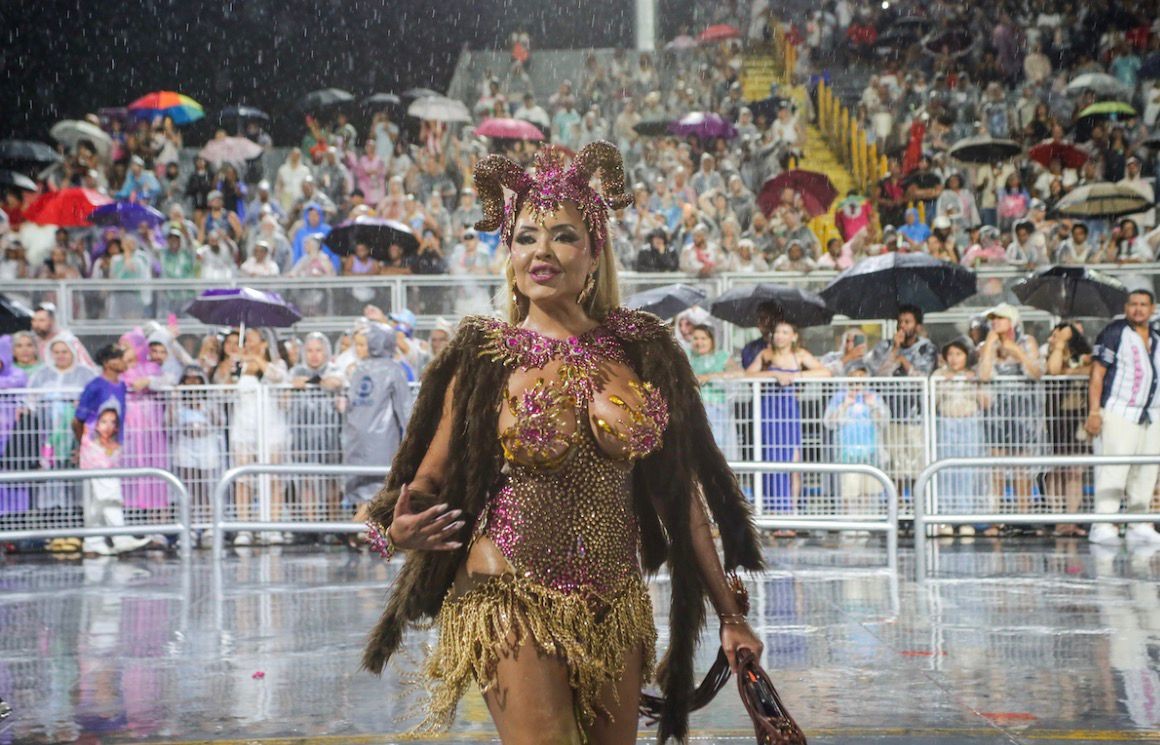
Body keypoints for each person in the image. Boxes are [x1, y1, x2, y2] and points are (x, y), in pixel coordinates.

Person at [360, 142, 763, 744]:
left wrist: (731, 615)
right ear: (510, 254)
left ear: (595, 252)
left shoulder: (641, 352)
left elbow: (681, 500)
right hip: (508, 593)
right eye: (526, 237)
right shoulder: (484, 356)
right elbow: (426, 480)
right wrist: (397, 530)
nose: (541, 251)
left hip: (615, 602)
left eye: (564, 236)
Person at [1085, 290, 1160, 547]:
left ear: (1152, 308)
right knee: (1114, 469)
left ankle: (1139, 523)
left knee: (1146, 470)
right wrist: (1094, 411)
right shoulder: (1114, 332)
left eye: (1143, 305)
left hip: (1151, 413)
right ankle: (1103, 524)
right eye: (1133, 304)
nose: (1138, 309)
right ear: (1126, 307)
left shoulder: (1157, 337)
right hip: (1120, 410)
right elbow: (1097, 374)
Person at [746, 317, 831, 522]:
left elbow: (825, 372)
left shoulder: (800, 355)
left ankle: (790, 512)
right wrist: (773, 374)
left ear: (794, 337)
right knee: (771, 460)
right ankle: (774, 512)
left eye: (785, 332)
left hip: (789, 412)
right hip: (769, 412)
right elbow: (747, 375)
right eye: (777, 332)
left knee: (793, 462)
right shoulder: (766, 354)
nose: (780, 336)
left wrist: (796, 377)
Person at [71, 344, 150, 556]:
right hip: (95, 446)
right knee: (110, 490)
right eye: (120, 358)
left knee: (99, 496)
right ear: (107, 363)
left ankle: (93, 541)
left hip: (113, 446)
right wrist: (85, 443)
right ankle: (120, 536)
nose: (124, 362)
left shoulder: (121, 386)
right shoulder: (95, 386)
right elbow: (77, 420)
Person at [341, 324, 412, 545]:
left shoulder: (359, 369)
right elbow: (405, 408)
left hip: (354, 435)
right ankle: (353, 528)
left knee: (364, 488)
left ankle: (361, 532)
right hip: (382, 438)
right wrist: (413, 437)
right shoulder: (393, 370)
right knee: (380, 488)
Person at [977, 303, 1044, 533]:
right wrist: (989, 346)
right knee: (996, 466)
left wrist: (1017, 352)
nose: (995, 322)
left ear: (1012, 321)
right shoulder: (986, 345)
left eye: (1000, 318)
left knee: (1021, 467)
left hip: (1023, 411)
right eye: (993, 319)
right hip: (996, 413)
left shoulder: (1027, 342)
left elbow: (1036, 372)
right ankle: (996, 518)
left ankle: (1023, 517)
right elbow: (984, 376)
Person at [865, 305, 938, 497]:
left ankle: (918, 506)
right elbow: (877, 376)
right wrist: (894, 351)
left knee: (917, 465)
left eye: (907, 322)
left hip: (916, 417)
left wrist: (904, 361)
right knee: (894, 466)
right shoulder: (884, 346)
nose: (902, 326)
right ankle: (896, 506)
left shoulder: (927, 347)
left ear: (918, 326)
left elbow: (923, 377)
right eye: (900, 322)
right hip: (891, 415)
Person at [932, 337, 992, 537]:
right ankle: (944, 518)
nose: (954, 358)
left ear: (967, 356)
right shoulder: (938, 375)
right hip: (946, 425)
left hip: (970, 426)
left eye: (958, 354)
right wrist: (943, 384)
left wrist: (974, 384)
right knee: (945, 471)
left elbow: (987, 403)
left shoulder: (975, 374)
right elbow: (931, 402)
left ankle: (967, 518)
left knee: (967, 471)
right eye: (950, 354)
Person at [822, 360, 888, 524]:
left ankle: (865, 522)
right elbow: (829, 422)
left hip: (870, 452)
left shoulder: (873, 396)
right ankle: (849, 523)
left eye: (861, 376)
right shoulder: (839, 397)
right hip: (847, 453)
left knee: (867, 490)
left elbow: (884, 421)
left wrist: (873, 406)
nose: (858, 381)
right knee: (849, 491)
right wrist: (844, 405)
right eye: (854, 376)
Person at [1045, 322, 1093, 538]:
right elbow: (1054, 370)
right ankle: (1058, 520)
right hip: (1055, 418)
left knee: (1075, 470)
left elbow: (1092, 370)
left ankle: (1071, 519)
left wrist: (1071, 371)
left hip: (1078, 418)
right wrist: (1059, 344)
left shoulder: (1085, 355)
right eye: (1054, 334)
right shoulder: (1051, 352)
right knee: (1057, 470)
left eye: (1062, 334)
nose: (1055, 338)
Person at [687, 323, 740, 458]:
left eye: (703, 338)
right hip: (693, 408)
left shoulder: (722, 356)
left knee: (716, 444)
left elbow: (737, 373)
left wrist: (710, 377)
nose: (699, 342)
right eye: (696, 338)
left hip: (717, 408)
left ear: (712, 340)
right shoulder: (688, 357)